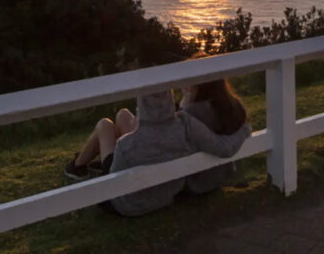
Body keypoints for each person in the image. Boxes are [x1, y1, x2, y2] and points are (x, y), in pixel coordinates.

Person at [64, 89, 251, 216]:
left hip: (125, 200)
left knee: (105, 125)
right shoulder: (183, 126)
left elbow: (112, 183)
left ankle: (77, 166)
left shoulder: (126, 145)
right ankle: (82, 163)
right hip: (164, 194)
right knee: (122, 114)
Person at [180, 80, 248, 194]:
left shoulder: (192, 114)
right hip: (223, 175)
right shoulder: (233, 106)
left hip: (195, 183)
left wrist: (183, 107)